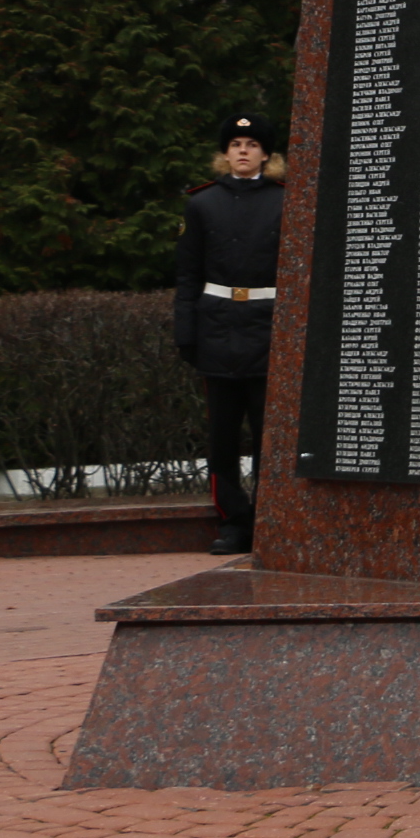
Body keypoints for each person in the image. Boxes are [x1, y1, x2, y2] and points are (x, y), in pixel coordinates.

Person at [173, 113, 288, 556]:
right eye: (236, 144)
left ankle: (266, 520)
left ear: (266, 154)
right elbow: (188, 275)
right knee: (222, 437)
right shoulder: (202, 204)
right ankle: (232, 521)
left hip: (267, 329)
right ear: (225, 153)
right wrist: (187, 332)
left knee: (267, 436)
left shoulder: (285, 200)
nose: (243, 151)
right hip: (218, 329)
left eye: (252, 144)